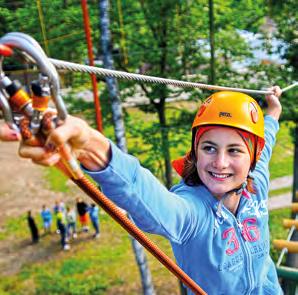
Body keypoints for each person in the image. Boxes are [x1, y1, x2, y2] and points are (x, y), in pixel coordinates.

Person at [1, 86, 283, 294]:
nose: (220, 163)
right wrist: (91, 147)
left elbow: (266, 137)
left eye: (234, 150)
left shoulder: (256, 181)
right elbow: (147, 195)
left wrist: (273, 109)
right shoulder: (191, 211)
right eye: (209, 148)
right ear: (196, 152)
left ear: (252, 158)